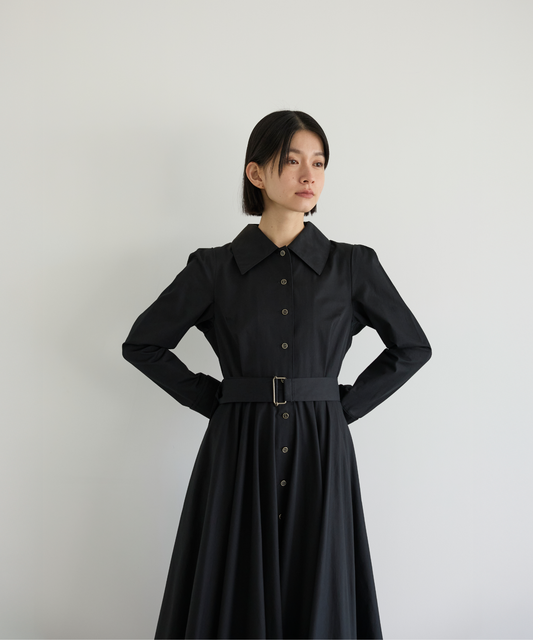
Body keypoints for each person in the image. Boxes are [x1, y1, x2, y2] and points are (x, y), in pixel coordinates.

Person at [122, 110, 432, 639]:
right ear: (256, 174)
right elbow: (143, 344)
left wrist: (341, 406)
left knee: (319, 581)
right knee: (236, 582)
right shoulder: (213, 269)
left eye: (319, 162)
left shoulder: (352, 266)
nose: (309, 175)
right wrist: (218, 399)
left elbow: (411, 346)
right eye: (292, 161)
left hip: (321, 447)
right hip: (239, 446)